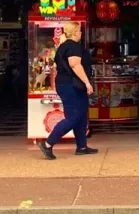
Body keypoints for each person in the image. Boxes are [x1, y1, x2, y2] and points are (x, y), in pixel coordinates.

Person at [38, 21, 98, 159]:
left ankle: (82, 146)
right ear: (75, 32)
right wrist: (87, 82)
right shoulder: (73, 46)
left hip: (66, 84)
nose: (81, 33)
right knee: (73, 117)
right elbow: (75, 65)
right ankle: (47, 143)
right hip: (72, 85)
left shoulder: (63, 46)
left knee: (81, 115)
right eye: (80, 31)